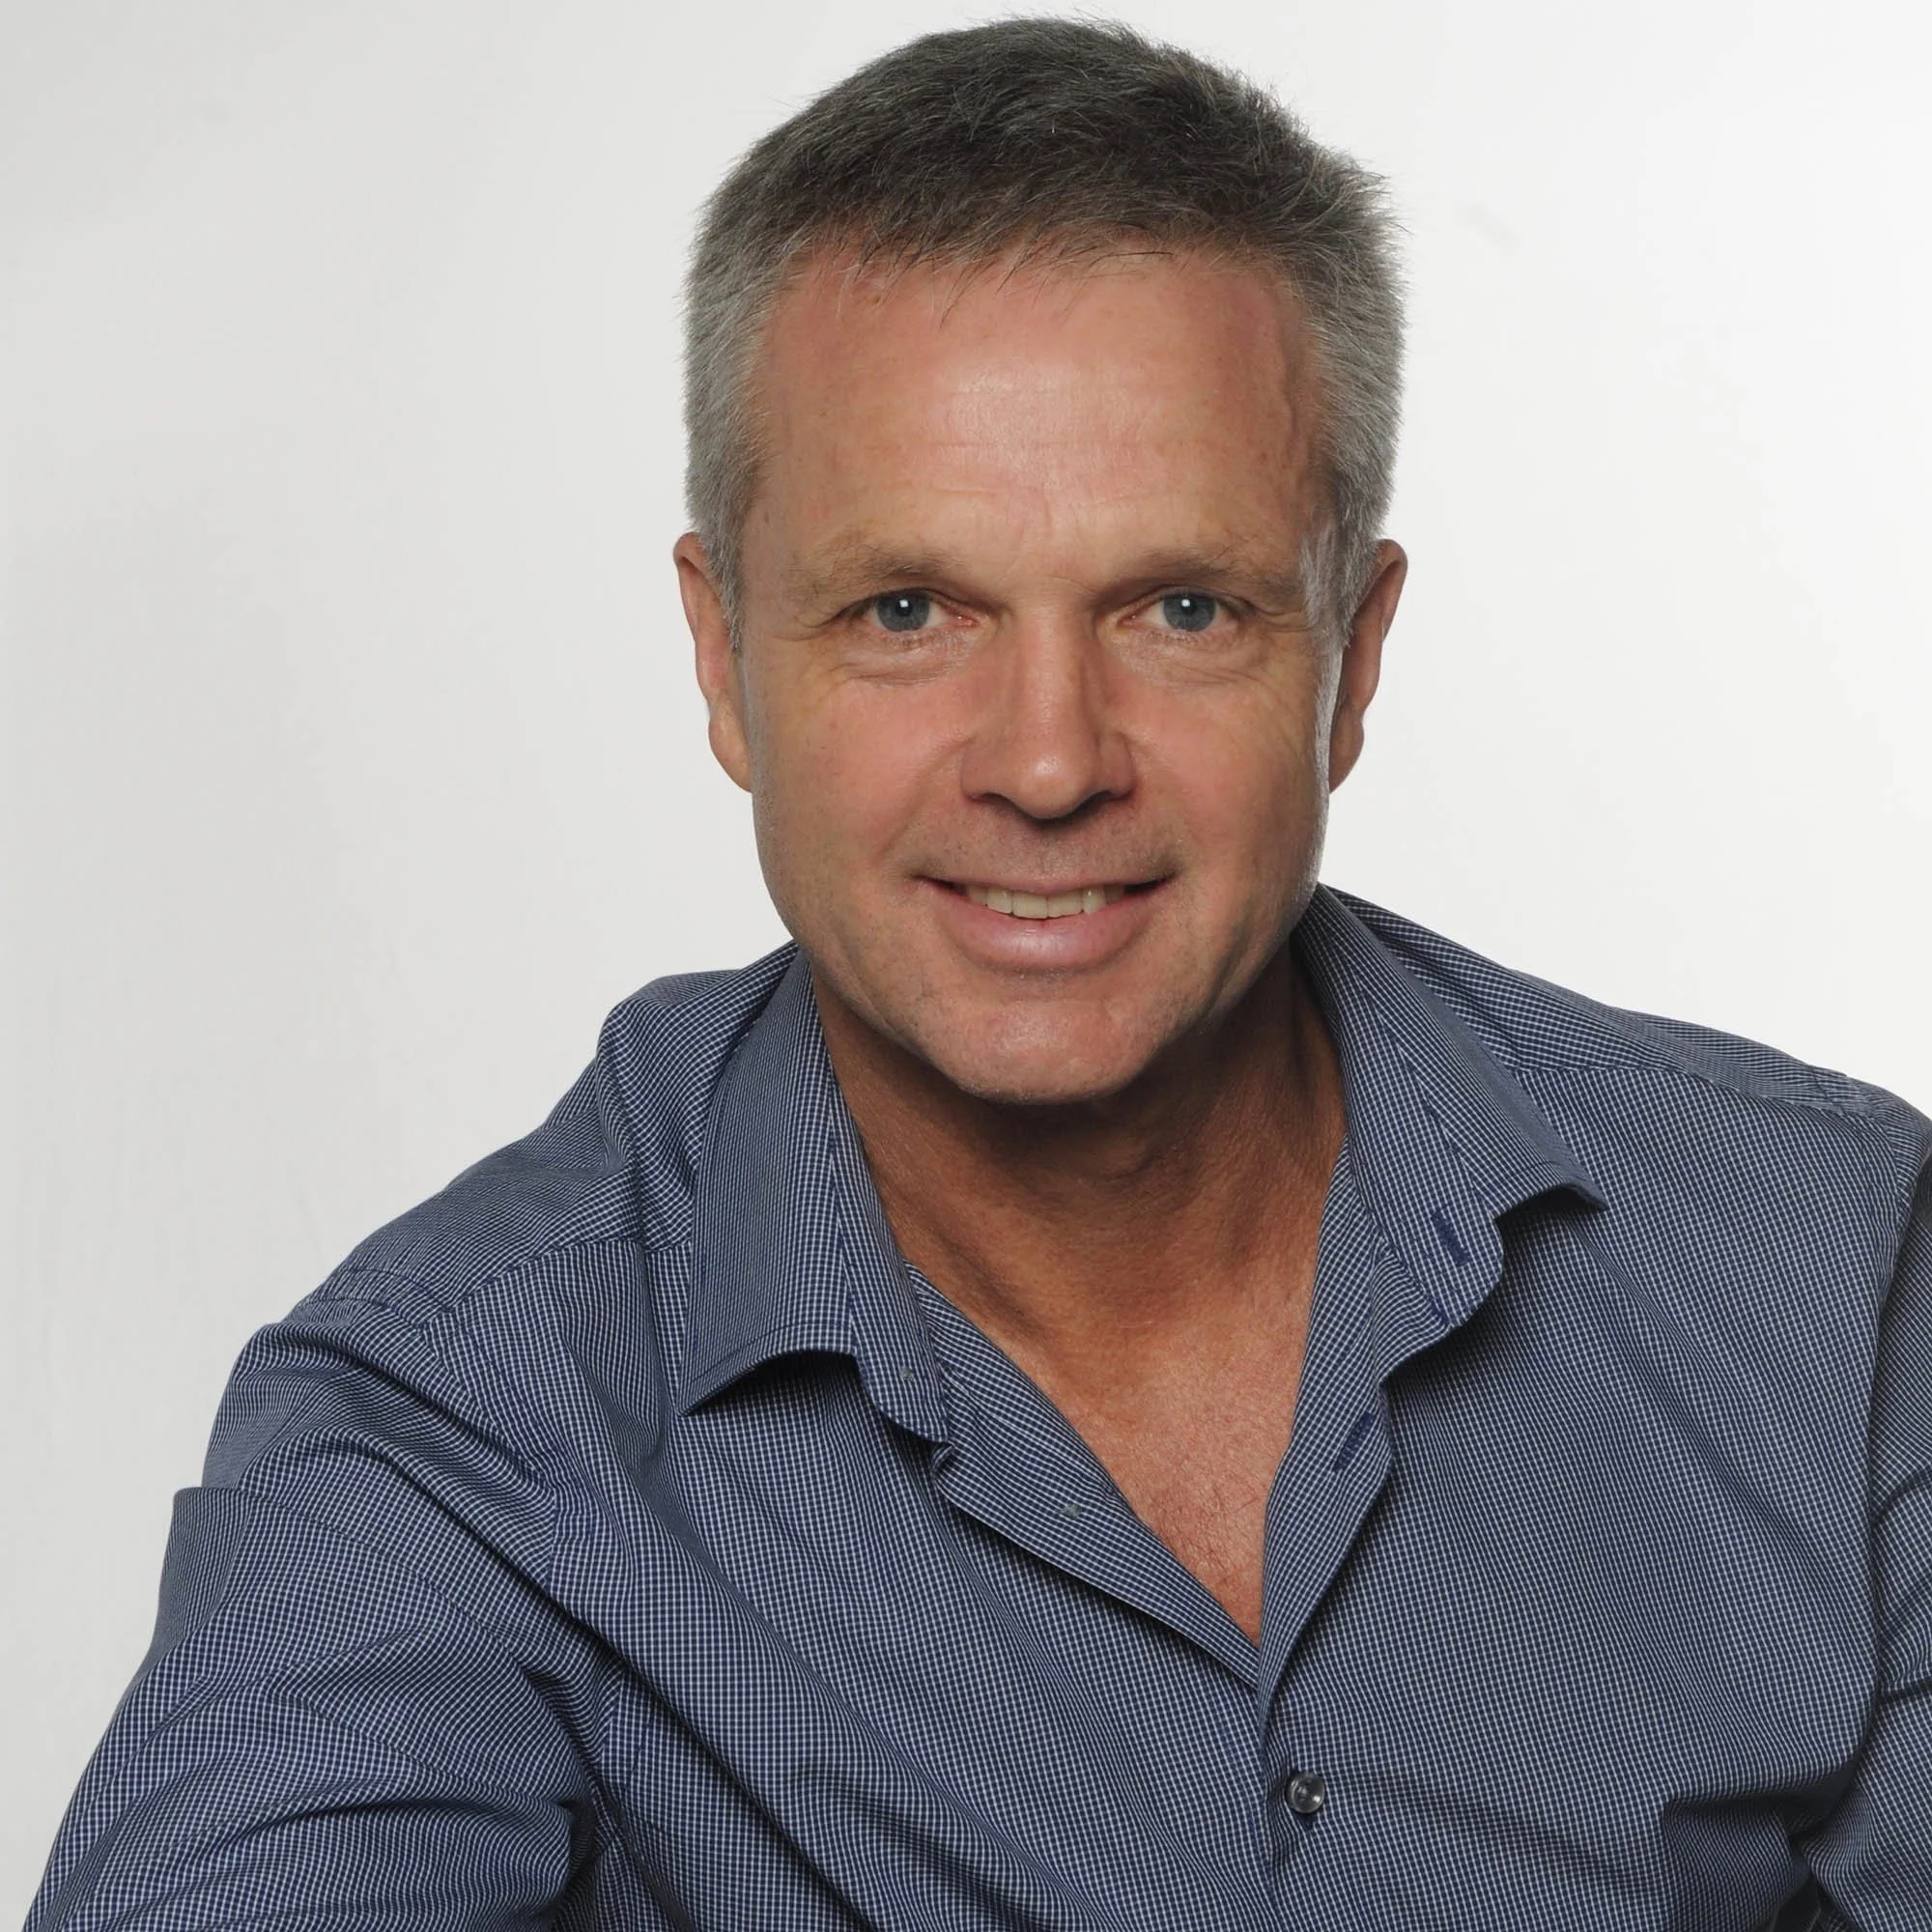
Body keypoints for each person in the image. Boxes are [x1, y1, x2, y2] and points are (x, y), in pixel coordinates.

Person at [26, 17, 1930, 1930]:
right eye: (907, 610)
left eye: (1181, 608)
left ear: (1348, 658)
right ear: (725, 659)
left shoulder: (1824, 1272)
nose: (1044, 760)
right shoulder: (466, 1426)